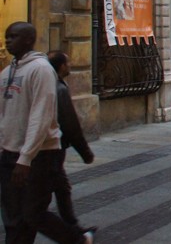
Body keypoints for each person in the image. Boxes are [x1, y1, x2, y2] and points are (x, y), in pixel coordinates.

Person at [0, 22, 94, 243]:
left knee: (33, 212)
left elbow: (41, 115)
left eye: (13, 36)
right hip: (10, 153)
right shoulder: (6, 73)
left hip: (40, 155)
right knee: (14, 216)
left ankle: (78, 240)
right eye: (6, 36)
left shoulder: (41, 70)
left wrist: (26, 157)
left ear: (29, 40)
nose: (8, 40)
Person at [47, 51, 96, 237]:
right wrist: (85, 152)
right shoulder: (58, 88)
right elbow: (70, 124)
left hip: (51, 147)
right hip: (53, 147)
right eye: (68, 63)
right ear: (61, 67)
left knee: (62, 189)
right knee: (37, 206)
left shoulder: (50, 84)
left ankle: (73, 227)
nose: (70, 65)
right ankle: (75, 236)